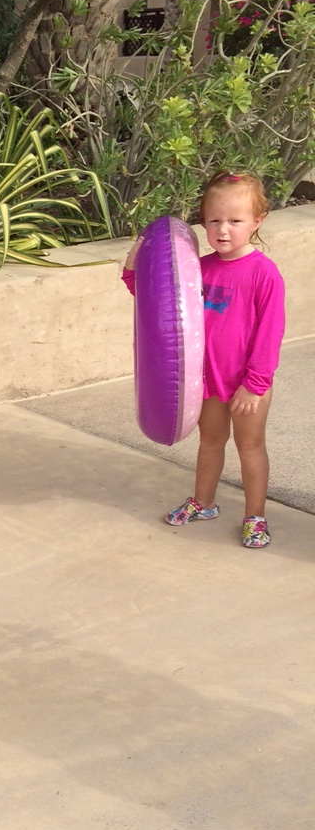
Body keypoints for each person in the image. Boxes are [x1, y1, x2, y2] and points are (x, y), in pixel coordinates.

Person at [124, 171, 285, 548]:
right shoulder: (198, 269)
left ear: (257, 221)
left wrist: (254, 384)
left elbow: (270, 333)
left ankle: (255, 516)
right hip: (207, 380)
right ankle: (204, 502)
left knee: (250, 447)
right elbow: (158, 302)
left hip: (247, 384)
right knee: (210, 442)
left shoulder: (264, 274)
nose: (223, 230)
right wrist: (133, 268)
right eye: (214, 220)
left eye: (235, 221)